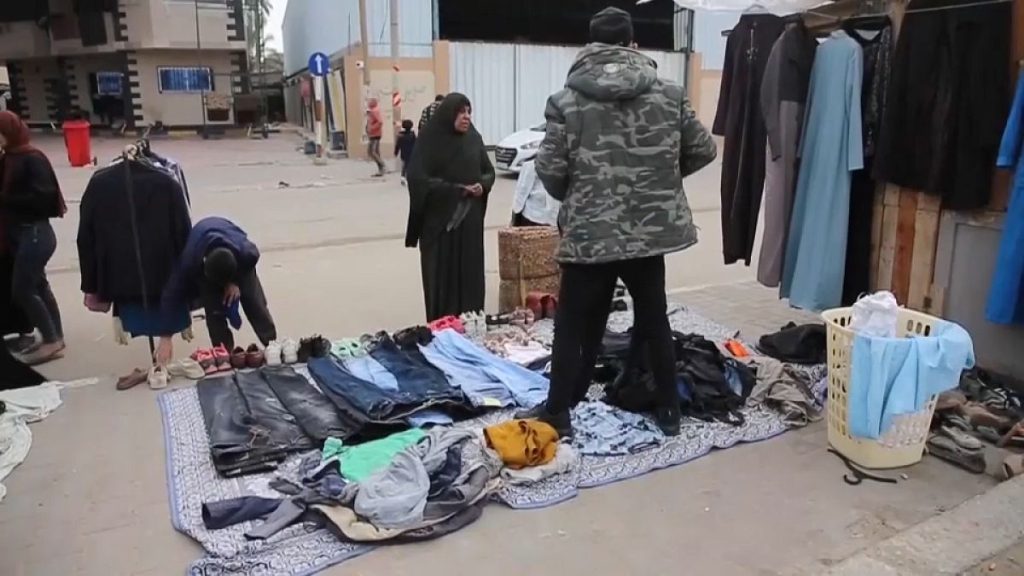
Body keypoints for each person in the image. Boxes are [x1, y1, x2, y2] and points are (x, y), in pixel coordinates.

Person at [517, 7, 717, 437]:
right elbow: (703, 149)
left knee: (572, 324)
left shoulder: (566, 101)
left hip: (590, 233)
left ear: (589, 46)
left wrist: (583, 192)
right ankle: (668, 409)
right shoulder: (669, 93)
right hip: (648, 233)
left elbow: (549, 169)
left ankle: (559, 410)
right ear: (633, 45)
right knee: (654, 316)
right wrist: (657, 182)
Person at [405, 93, 495, 322]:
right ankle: (442, 325)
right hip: (440, 226)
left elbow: (488, 171)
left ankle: (471, 321)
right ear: (449, 114)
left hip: (470, 222)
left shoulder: (473, 138)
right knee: (443, 276)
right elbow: (418, 180)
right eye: (461, 112)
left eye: (469, 112)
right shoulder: (430, 141)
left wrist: (482, 186)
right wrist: (456, 190)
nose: (466, 117)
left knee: (469, 274)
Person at [0, 110, 68, 366]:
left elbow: (44, 199)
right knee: (39, 285)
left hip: (36, 233)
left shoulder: (32, 159)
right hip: (22, 234)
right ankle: (55, 337)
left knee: (23, 289)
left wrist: (6, 200)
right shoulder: (10, 158)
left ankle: (51, 339)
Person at [159, 216, 276, 362]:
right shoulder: (190, 260)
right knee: (214, 311)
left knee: (254, 303)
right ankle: (224, 355)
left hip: (237, 261)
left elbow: (251, 260)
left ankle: (272, 344)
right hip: (205, 259)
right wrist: (166, 336)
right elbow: (171, 294)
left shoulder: (246, 253)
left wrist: (235, 282)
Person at [511, 159, 560, 227]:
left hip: (541, 218)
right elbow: (521, 194)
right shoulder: (531, 166)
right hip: (536, 217)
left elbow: (521, 194)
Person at [366, 98, 385, 177]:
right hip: (373, 134)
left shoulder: (374, 111)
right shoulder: (372, 111)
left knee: (371, 152)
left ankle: (382, 164)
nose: (368, 103)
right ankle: (381, 170)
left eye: (369, 102)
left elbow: (380, 122)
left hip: (375, 135)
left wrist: (371, 128)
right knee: (375, 152)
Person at [394, 119, 416, 184]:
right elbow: (416, 143)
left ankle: (403, 176)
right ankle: (408, 176)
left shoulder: (400, 135)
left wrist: (396, 152)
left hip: (404, 153)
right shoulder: (412, 135)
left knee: (405, 165)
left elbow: (398, 144)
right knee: (410, 165)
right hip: (411, 152)